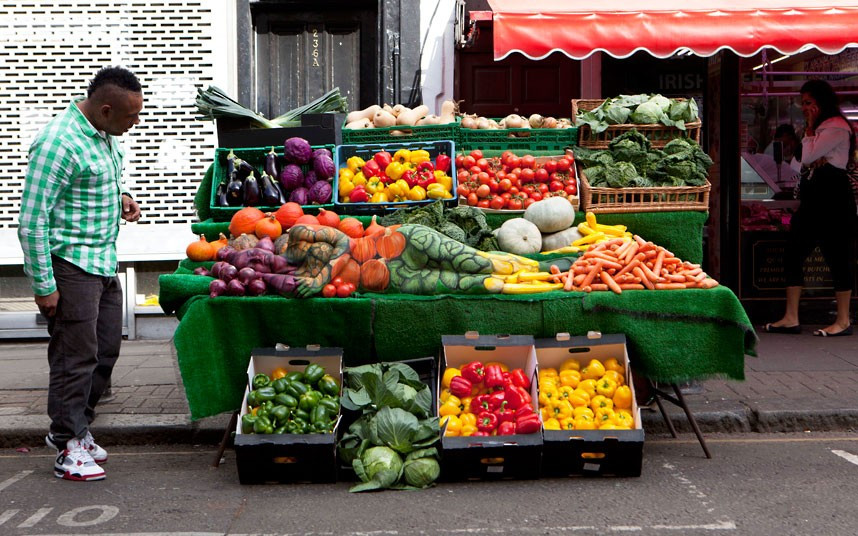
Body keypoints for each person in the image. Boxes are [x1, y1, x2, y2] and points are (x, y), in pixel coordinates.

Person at [17, 66, 143, 481]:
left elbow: (103, 180)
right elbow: (32, 222)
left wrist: (122, 197)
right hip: (69, 266)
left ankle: (79, 428)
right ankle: (66, 443)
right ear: (105, 109)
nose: (135, 123)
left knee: (104, 350)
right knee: (75, 357)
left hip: (103, 260)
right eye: (130, 117)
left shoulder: (104, 134)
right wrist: (44, 285)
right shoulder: (58, 144)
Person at [764, 79, 857, 337]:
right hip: (814, 198)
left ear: (821, 102)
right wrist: (811, 139)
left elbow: (807, 157)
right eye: (802, 103)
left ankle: (842, 320)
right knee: (794, 251)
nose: (804, 107)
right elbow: (803, 162)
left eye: (808, 103)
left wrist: (809, 132)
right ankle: (791, 316)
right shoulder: (819, 129)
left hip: (834, 197)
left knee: (838, 255)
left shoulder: (836, 127)